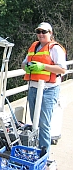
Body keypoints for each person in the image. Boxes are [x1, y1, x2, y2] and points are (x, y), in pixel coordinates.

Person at [21, 22, 67, 153]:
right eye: (38, 31)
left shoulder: (55, 49)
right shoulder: (34, 47)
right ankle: (35, 148)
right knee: (33, 121)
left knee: (44, 123)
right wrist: (27, 66)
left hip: (49, 89)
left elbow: (62, 69)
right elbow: (23, 64)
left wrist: (42, 66)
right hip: (33, 88)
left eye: (44, 32)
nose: (41, 34)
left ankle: (44, 154)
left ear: (50, 33)